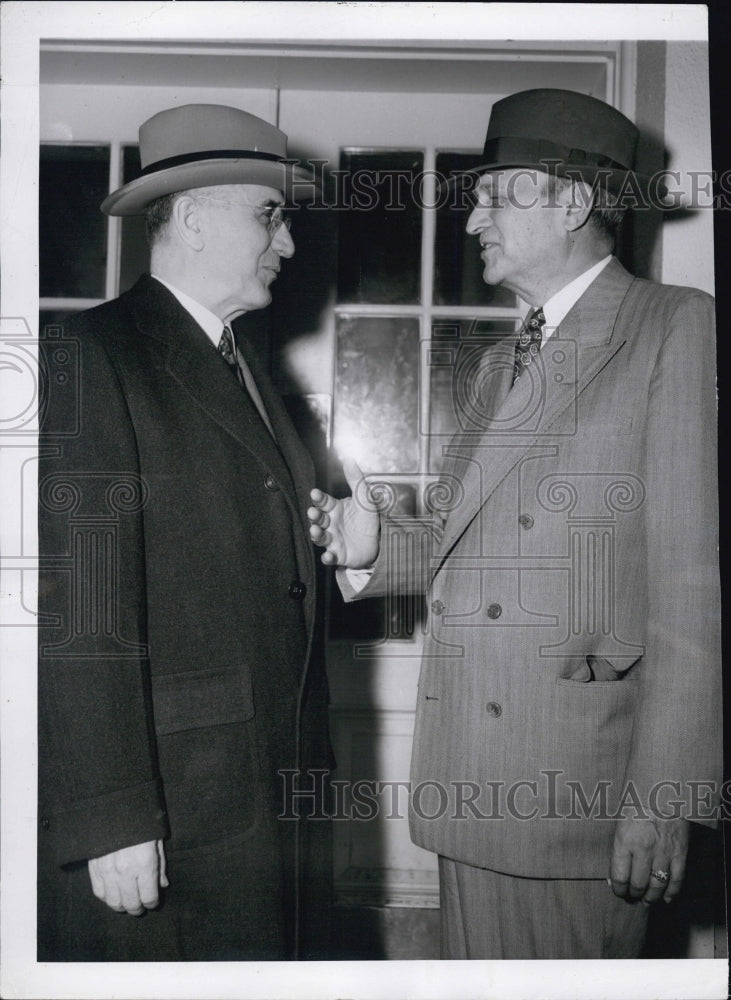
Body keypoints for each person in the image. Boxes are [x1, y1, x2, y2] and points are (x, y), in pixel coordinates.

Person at [308, 89, 721, 959]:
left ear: (572, 203)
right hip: (470, 782)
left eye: (497, 197)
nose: (471, 224)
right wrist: (375, 543)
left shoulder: (671, 328)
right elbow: (467, 543)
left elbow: (693, 588)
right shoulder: (504, 357)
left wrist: (663, 798)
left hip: (574, 796)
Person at [38, 104, 332, 961]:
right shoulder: (95, 353)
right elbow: (83, 606)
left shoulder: (239, 365)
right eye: (268, 215)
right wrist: (112, 812)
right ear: (196, 216)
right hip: (173, 809)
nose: (287, 243)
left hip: (258, 795)